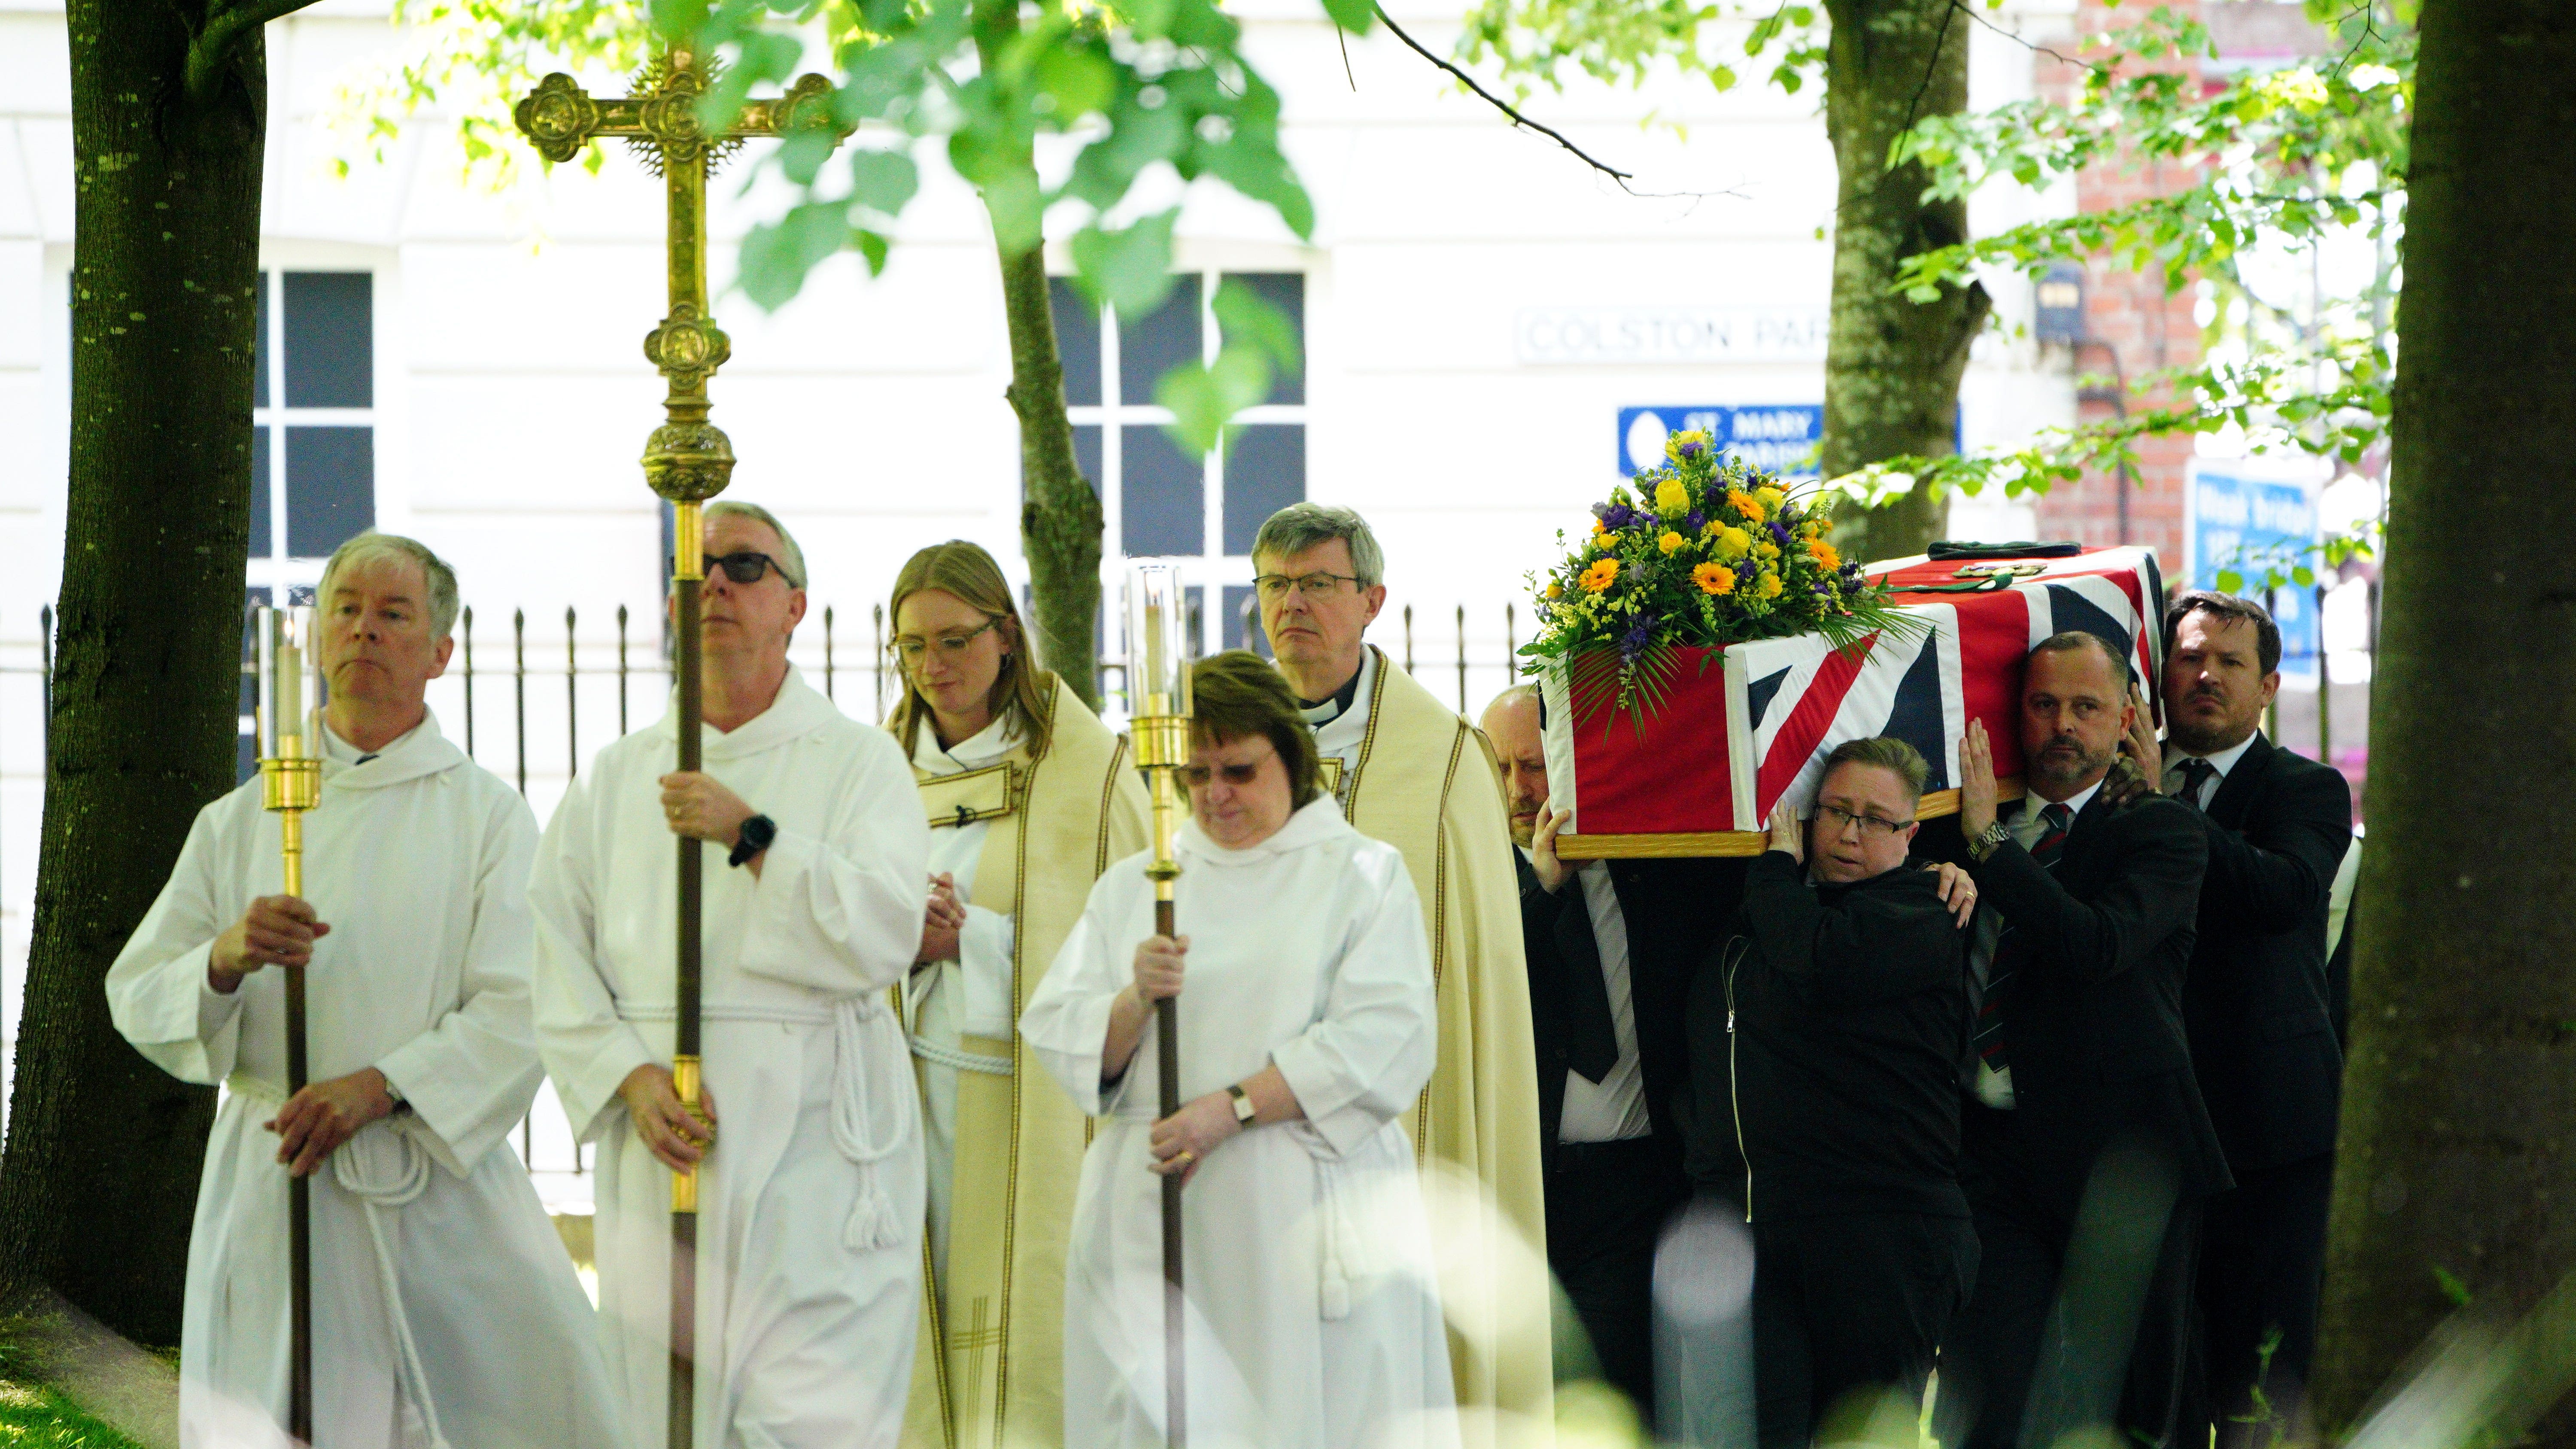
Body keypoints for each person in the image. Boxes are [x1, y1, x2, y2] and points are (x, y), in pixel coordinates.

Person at [107, 532, 620, 1449]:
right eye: (346, 607)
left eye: (394, 613)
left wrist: (377, 1086)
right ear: (315, 634)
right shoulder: (241, 818)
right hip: (275, 1179)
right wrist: (223, 959)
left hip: (428, 1186)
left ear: (439, 653)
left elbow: (522, 1003)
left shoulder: (487, 816)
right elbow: (140, 985)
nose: (365, 631)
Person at [530, 500, 931, 1449]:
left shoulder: (861, 761)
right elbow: (552, 948)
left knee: (805, 1416)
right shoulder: (617, 776)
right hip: (669, 1131)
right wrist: (628, 1076)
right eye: (696, 571)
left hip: (819, 1141)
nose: (715, 584)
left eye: (745, 566)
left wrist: (752, 835)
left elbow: (887, 928)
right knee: (661, 1410)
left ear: (795, 603)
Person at [1020, 651, 1460, 1449]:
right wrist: (1133, 999)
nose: (1215, 795)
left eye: (1238, 770)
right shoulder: (1138, 885)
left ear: (1291, 758)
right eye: (1195, 775)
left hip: (1295, 1200)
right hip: (1155, 1209)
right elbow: (1065, 1033)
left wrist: (1230, 1110)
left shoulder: (1361, 874)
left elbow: (1387, 1034)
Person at [1251, 503, 1549, 1437]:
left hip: (1398, 1111)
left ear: (1373, 599)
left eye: (1316, 584)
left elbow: (1478, 971)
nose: (1292, 603)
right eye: (1274, 584)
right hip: (1258, 1105)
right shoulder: (1216, 748)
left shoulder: (1445, 756)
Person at [885, 541, 1150, 1448]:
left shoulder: (1086, 771)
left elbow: (1126, 949)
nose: (934, 667)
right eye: (912, 647)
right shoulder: (875, 772)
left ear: (1007, 634)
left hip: (1031, 1109)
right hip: (898, 1100)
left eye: (954, 640)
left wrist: (976, 940)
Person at [1936, 630, 2224, 1449]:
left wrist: (1991, 844)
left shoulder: (2162, 834)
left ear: (2124, 717)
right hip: (1994, 1160)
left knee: (2133, 1409)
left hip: (2126, 1163)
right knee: (1990, 1397)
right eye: (2044, 704)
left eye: (2086, 707)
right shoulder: (1948, 832)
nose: (2064, 725)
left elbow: (2095, 945)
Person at [1689, 738, 1976, 1448]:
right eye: (1837, 811)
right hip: (1765, 1232)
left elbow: (1819, 959)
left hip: (1880, 1238)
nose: (1851, 833)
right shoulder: (1768, 913)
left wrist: (1776, 868)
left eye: (1877, 820)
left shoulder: (1924, 906)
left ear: (1912, 835)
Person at [2129, 591, 2352, 1448]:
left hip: (2274, 1137)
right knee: (2165, 1380)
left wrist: (2160, 807)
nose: (2206, 675)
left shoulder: (2307, 788)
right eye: (2189, 657)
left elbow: (2279, 892)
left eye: (2229, 661)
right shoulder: (2112, 790)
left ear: (2268, 687)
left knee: (2262, 1384)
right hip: (2155, 1136)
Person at [1483, 682, 1700, 1425]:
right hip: (1525, 1189)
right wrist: (1546, 889)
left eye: (1536, 766)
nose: (1519, 789)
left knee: (1611, 1400)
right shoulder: (1485, 884)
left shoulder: (1654, 869)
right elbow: (1484, 982)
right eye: (1501, 767)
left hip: (1634, 1188)